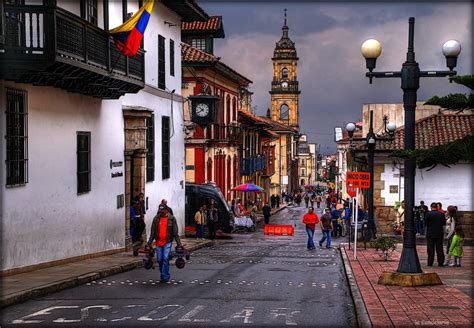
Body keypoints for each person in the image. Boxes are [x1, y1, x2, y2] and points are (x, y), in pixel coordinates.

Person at [147, 204, 182, 283]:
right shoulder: (156, 219)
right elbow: (152, 232)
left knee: (165, 258)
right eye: (160, 211)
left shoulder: (172, 219)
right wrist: (149, 243)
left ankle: (165, 276)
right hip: (158, 242)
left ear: (166, 210)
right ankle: (163, 272)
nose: (161, 213)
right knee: (159, 259)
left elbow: (175, 233)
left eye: (162, 211)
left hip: (167, 241)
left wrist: (179, 244)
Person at [425, 202, 446, 267]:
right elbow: (443, 224)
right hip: (439, 233)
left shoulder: (428, 214)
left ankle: (430, 262)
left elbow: (425, 223)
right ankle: (441, 262)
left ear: (431, 207)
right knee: (439, 249)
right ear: (437, 207)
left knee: (430, 249)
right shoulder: (441, 214)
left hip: (430, 234)